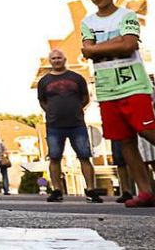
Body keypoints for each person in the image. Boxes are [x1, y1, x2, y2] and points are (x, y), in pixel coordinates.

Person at [78, 0, 155, 208]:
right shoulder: (87, 22)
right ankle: (145, 192)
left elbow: (128, 45)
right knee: (124, 140)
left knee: (149, 131)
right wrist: (114, 43)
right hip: (107, 89)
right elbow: (86, 49)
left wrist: (100, 47)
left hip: (133, 85)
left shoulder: (126, 15)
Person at [36, 48, 102, 202]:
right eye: (54, 58)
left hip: (76, 123)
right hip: (54, 125)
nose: (57, 60)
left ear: (64, 59)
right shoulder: (44, 81)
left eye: (59, 58)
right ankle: (57, 190)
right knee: (54, 157)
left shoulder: (77, 78)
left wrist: (78, 109)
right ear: (50, 61)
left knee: (84, 156)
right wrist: (51, 112)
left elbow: (85, 97)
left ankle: (91, 189)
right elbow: (42, 100)